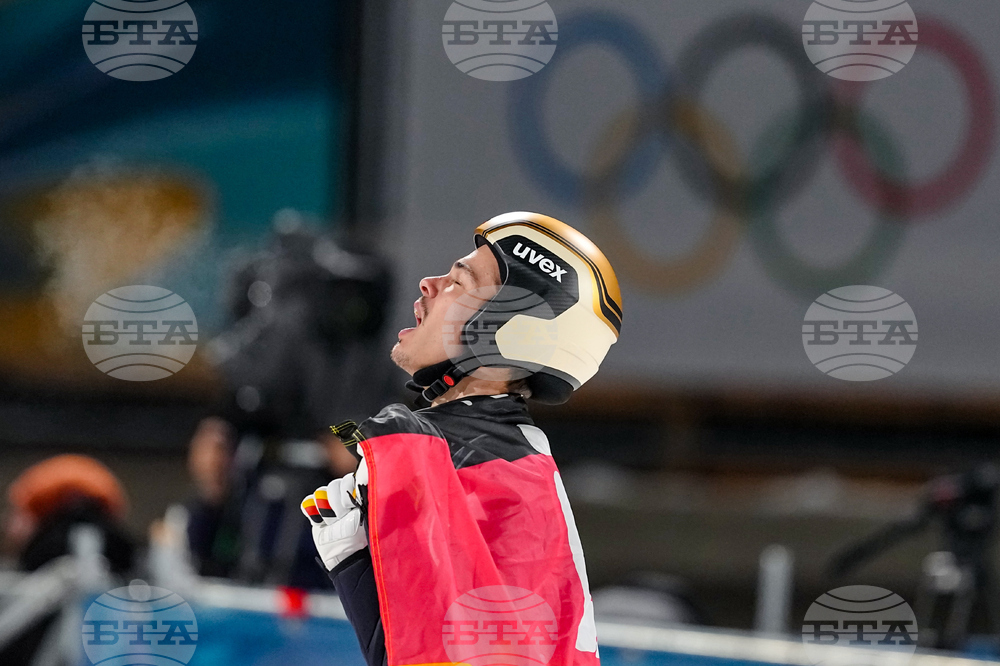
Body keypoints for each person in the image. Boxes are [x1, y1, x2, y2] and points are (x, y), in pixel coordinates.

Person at [301, 212, 622, 666]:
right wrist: (354, 563)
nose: (428, 284)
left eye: (460, 281)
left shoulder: (495, 472)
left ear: (509, 329)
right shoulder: (496, 457)